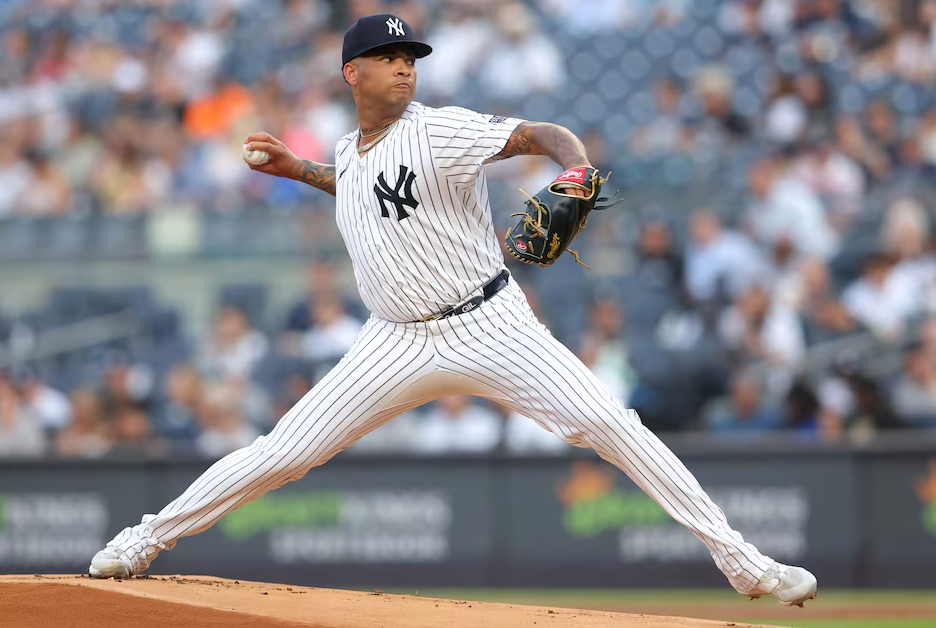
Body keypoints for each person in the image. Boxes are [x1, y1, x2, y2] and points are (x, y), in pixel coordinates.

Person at [88, 13, 817, 607]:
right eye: (388, 55)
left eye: (411, 56)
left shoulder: (440, 128)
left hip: (490, 323)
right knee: (281, 453)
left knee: (607, 422)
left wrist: (575, 165)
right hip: (394, 340)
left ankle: (744, 563)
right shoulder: (348, 150)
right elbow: (359, 185)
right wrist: (297, 169)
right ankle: (143, 540)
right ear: (354, 73)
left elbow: (539, 135)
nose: (405, 65)